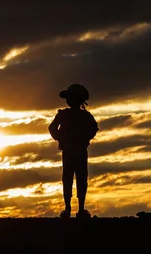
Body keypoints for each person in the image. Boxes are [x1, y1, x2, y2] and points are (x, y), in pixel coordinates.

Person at [48, 83, 99, 219]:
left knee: (78, 179)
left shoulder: (83, 116)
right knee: (70, 178)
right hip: (72, 150)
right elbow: (52, 128)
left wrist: (83, 139)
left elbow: (93, 128)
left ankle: (77, 209)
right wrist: (61, 139)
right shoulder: (64, 115)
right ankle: (69, 209)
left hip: (78, 150)